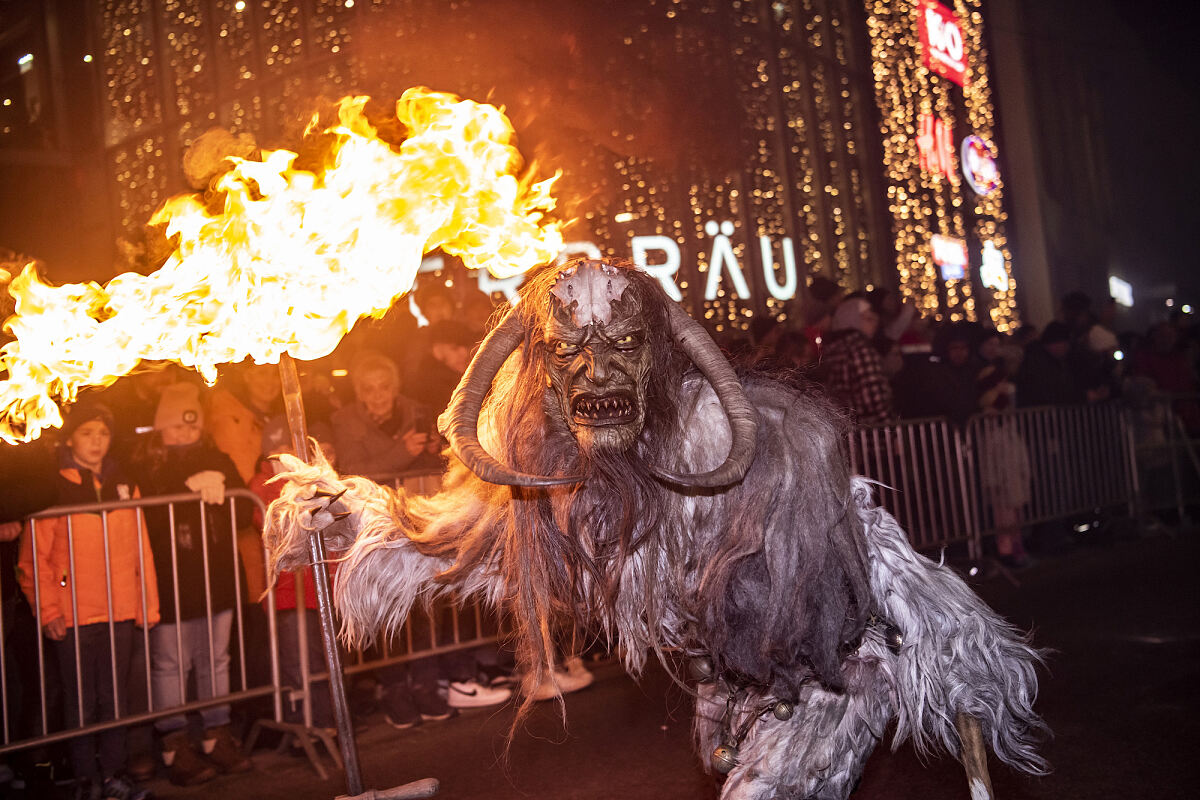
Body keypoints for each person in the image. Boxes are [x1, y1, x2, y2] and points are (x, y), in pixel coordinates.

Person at [17, 401, 159, 800]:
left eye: (102, 433)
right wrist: (47, 609)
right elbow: (34, 559)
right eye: (86, 433)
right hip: (74, 614)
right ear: (69, 437)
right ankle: (85, 780)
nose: (96, 441)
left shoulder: (124, 484)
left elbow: (140, 548)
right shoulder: (53, 487)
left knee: (113, 699)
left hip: (119, 610)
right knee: (81, 703)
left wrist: (147, 604)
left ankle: (114, 776)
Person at [131, 382, 252, 786]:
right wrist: (184, 492)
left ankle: (217, 735)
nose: (184, 435)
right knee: (170, 663)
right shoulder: (146, 466)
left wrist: (222, 489)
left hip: (214, 575)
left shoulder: (218, 458)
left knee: (216, 659)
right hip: (170, 579)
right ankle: (174, 742)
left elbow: (240, 515)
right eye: (176, 428)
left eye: (191, 427)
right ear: (161, 427)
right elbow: (144, 521)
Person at [820, 296, 895, 425]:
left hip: (846, 430)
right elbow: (874, 398)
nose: (875, 324)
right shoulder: (861, 349)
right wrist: (891, 431)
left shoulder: (832, 350)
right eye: (868, 319)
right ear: (852, 321)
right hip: (872, 432)